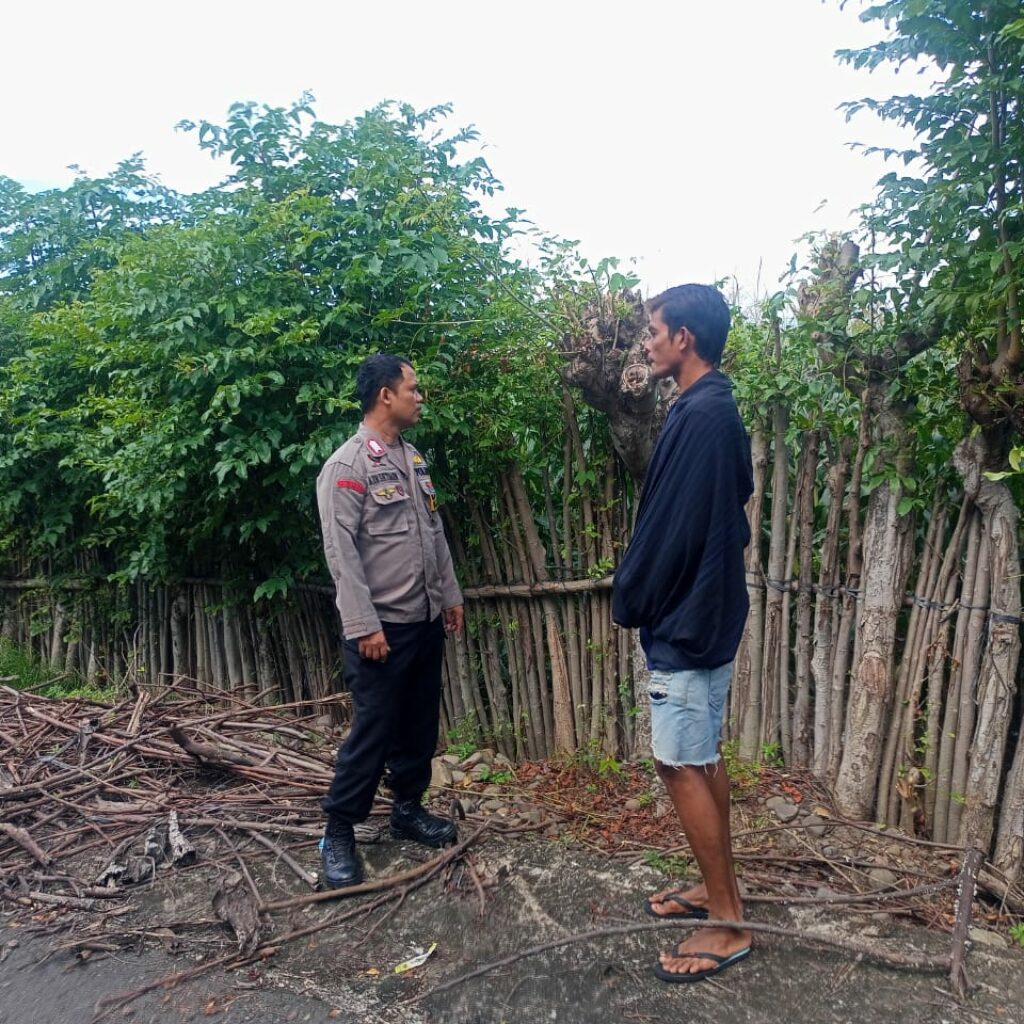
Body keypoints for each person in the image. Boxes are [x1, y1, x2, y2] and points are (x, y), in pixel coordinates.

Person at [612, 284, 754, 982]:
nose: (647, 342)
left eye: (654, 329)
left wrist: (632, 596)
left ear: (685, 338)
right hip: (713, 609)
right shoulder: (715, 408)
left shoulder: (698, 418)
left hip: (688, 620)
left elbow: (669, 529)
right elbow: (740, 499)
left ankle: (727, 922)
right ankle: (716, 885)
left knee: (679, 764)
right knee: (703, 753)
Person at [315, 354, 465, 888]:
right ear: (386, 395)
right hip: (380, 629)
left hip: (423, 621)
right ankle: (337, 832)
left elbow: (434, 533)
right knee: (373, 729)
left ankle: (407, 809)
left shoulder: (414, 461)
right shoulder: (348, 466)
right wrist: (363, 626)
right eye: (413, 388)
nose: (419, 396)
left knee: (419, 723)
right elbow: (343, 555)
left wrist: (450, 595)